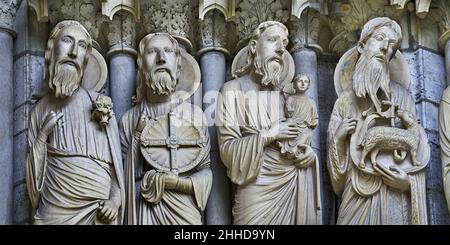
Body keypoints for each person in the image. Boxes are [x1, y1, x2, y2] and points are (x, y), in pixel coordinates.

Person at [217, 21, 322, 225]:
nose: (281, 48)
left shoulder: (286, 98)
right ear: (254, 46)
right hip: (255, 187)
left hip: (292, 180)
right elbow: (226, 151)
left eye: (284, 43)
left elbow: (302, 135)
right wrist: (269, 134)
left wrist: (309, 154)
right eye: (273, 40)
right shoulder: (232, 91)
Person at [327, 17, 430, 225]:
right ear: (362, 45)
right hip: (356, 199)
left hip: (396, 203)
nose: (384, 47)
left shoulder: (403, 99)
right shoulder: (344, 103)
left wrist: (409, 184)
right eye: (380, 38)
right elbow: (336, 184)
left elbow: (419, 156)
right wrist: (338, 139)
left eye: (391, 45)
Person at [26, 20, 124, 225]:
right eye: (67, 41)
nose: (73, 52)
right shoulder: (40, 110)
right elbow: (34, 179)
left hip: (99, 212)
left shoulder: (102, 107)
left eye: (81, 46)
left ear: (86, 59)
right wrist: (43, 135)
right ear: (51, 50)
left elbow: (117, 169)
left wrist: (114, 202)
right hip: (54, 210)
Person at [120, 33, 212, 225]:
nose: (161, 58)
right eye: (153, 52)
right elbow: (120, 179)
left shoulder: (194, 116)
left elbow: (205, 172)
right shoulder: (129, 119)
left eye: (168, 52)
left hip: (184, 211)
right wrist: (137, 135)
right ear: (142, 65)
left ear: (178, 65)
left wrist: (177, 183)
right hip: (143, 207)